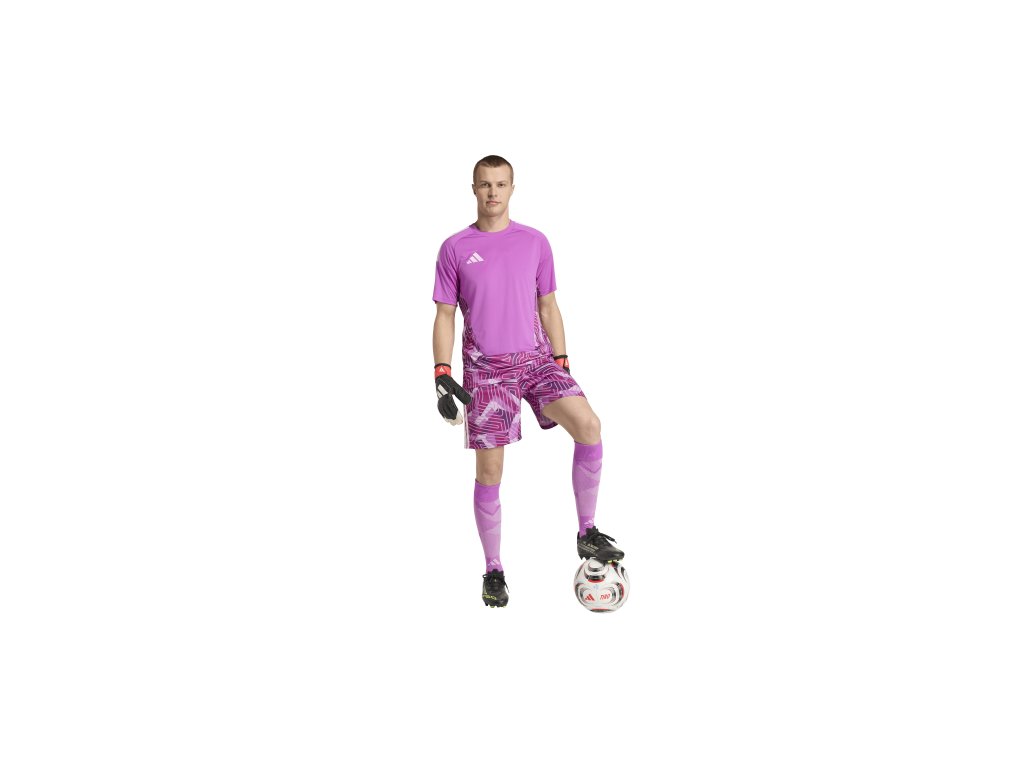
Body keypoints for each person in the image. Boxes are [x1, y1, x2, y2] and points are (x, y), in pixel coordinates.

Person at [432, 155, 625, 608]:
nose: (493, 192)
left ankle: (587, 531)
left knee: (589, 425)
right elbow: (444, 315)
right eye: (485, 184)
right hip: (486, 370)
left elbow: (548, 306)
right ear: (474, 189)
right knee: (490, 472)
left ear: (512, 188)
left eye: (500, 184)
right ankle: (493, 569)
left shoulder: (535, 242)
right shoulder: (455, 247)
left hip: (537, 360)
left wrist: (561, 360)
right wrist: (441, 374)